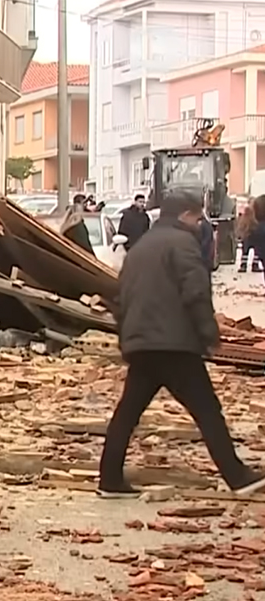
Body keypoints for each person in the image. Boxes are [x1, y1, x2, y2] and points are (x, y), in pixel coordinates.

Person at [98, 189, 265, 499]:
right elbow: (196, 290)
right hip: (174, 343)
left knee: (127, 413)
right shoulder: (183, 244)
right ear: (185, 215)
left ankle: (109, 479)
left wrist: (127, 338)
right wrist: (208, 333)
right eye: (197, 216)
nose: (200, 222)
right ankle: (238, 477)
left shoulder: (141, 247)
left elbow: (120, 297)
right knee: (207, 410)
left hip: (143, 343)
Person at [240, 196, 265, 274]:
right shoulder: (249, 211)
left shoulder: (248, 212)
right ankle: (254, 264)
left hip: (249, 234)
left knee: (246, 251)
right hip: (251, 233)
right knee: (255, 251)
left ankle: (244, 265)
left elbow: (242, 223)